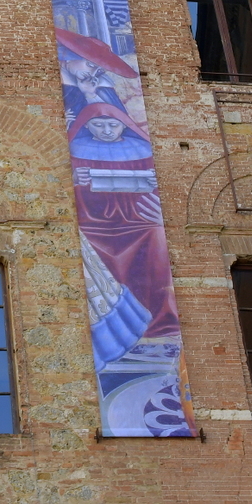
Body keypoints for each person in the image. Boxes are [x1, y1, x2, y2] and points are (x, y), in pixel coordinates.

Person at [68, 102, 180, 341]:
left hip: (137, 219)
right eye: (99, 125)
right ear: (86, 125)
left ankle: (157, 319)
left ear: (124, 125)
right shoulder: (77, 148)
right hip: (93, 219)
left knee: (156, 236)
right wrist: (76, 179)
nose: (107, 131)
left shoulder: (140, 149)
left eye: (113, 124)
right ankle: (114, 326)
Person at [54, 27, 138, 124]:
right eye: (90, 65)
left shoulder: (102, 87)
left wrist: (90, 94)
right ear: (68, 57)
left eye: (99, 71)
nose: (93, 73)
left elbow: (122, 122)